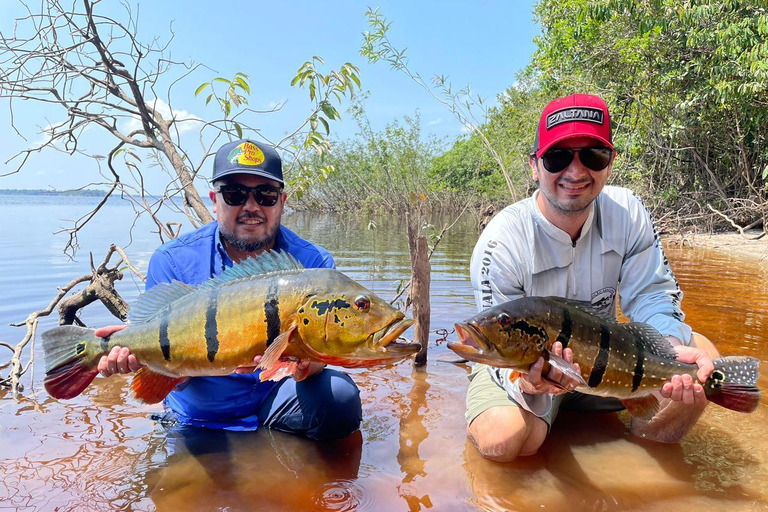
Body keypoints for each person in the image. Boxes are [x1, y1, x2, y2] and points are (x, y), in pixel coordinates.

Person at [465, 93, 719, 461]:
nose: (575, 171)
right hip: (532, 372)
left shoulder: (628, 212)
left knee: (703, 365)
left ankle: (644, 462)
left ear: (610, 163)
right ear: (535, 166)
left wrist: (667, 345)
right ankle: (546, 422)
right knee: (504, 441)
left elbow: (652, 296)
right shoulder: (502, 242)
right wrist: (532, 381)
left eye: (592, 155)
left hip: (611, 364)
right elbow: (496, 345)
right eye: (557, 157)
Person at [96, 139, 362, 440]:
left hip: (274, 402)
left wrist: (303, 365)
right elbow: (168, 370)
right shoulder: (172, 260)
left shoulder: (314, 265)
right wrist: (142, 357)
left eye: (266, 195)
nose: (251, 206)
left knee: (339, 397)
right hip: (198, 414)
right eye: (234, 194)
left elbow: (321, 354)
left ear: (282, 202)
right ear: (214, 200)